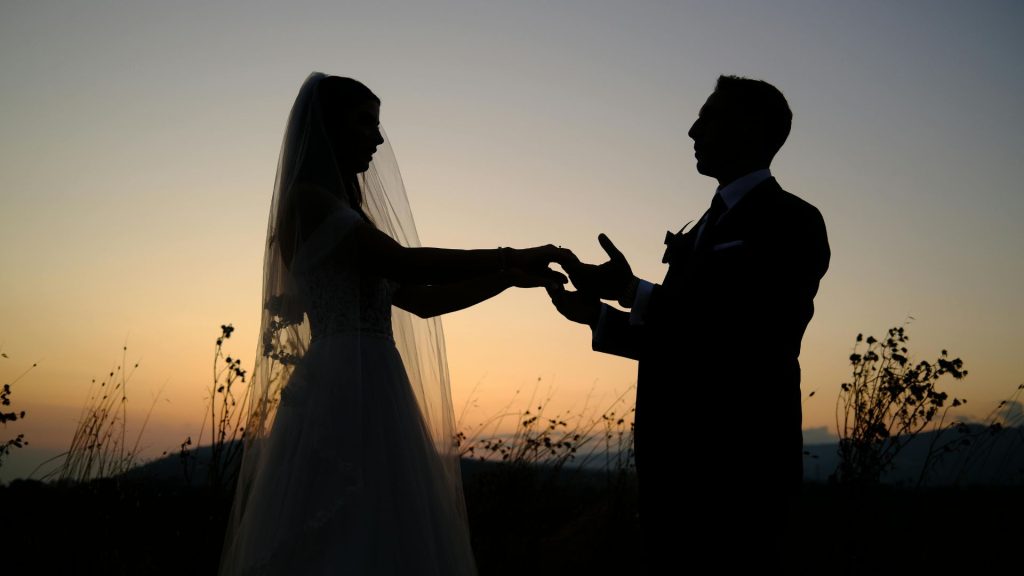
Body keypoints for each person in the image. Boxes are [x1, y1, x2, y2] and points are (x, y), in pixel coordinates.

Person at [218, 73, 571, 576]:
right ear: (329, 126)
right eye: (365, 123)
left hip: (379, 383)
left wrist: (507, 278)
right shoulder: (309, 203)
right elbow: (408, 264)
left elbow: (422, 302)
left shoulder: (347, 216)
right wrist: (511, 253)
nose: (378, 139)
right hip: (341, 386)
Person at [548, 75, 830, 571]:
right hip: (670, 463)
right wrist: (597, 316)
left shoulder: (793, 221)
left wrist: (630, 290)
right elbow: (683, 342)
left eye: (709, 116)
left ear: (751, 129)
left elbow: (744, 335)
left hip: (740, 465)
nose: (692, 130)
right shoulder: (704, 225)